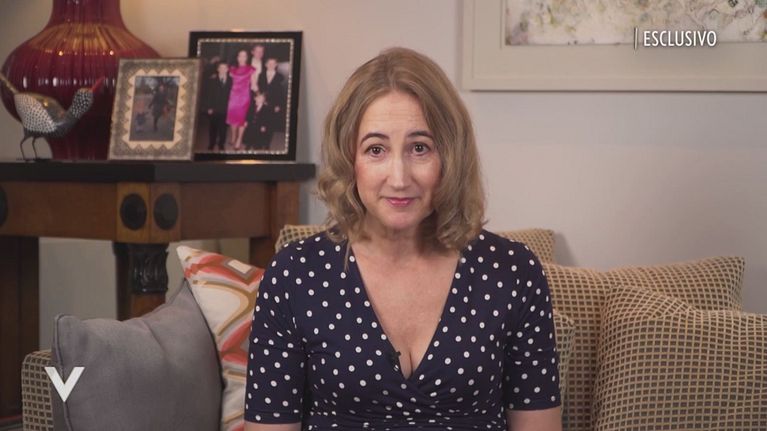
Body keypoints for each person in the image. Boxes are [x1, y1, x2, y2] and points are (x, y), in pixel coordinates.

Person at [244, 47, 562, 431]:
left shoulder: (512, 271)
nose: (399, 177)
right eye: (376, 149)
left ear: (450, 156)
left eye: (419, 148)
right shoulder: (294, 274)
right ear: (349, 159)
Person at [226, 49, 256, 150]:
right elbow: (227, 82)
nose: (242, 58)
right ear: (237, 57)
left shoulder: (251, 69)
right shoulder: (232, 69)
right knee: (232, 118)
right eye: (240, 55)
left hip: (244, 97)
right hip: (233, 97)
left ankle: (239, 139)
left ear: (247, 57)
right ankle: (233, 136)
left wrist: (259, 94)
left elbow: (254, 84)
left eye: (244, 56)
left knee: (242, 119)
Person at [203, 61, 232, 151]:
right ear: (218, 69)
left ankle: (221, 144)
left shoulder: (231, 81)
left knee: (223, 129)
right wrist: (208, 107)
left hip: (226, 109)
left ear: (227, 69)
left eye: (225, 68)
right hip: (214, 108)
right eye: (221, 68)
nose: (223, 70)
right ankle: (211, 143)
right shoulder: (212, 80)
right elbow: (208, 95)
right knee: (213, 128)